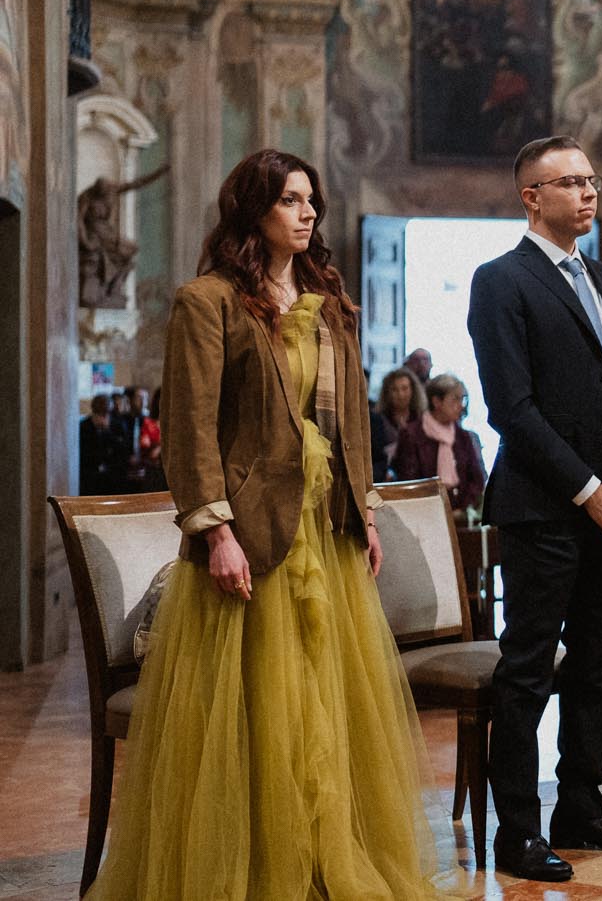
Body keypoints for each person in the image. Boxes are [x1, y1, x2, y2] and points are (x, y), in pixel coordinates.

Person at [86, 149, 435, 899]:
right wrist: (215, 533)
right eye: (289, 200)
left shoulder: (327, 297)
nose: (307, 213)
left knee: (325, 705)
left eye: (311, 200)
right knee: (256, 710)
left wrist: (364, 509)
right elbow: (192, 430)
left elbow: (351, 428)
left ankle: (318, 860)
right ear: (253, 211)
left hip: (327, 533)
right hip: (253, 534)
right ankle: (250, 865)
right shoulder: (206, 300)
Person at [467, 135, 602, 882]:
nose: (587, 193)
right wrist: (589, 489)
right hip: (546, 507)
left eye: (591, 180)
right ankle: (517, 829)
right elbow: (511, 407)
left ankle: (580, 803)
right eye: (568, 182)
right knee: (527, 670)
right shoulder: (501, 281)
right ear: (531, 196)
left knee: (596, 665)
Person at [393, 373, 487, 516]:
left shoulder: (463, 436)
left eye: (463, 399)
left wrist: (462, 508)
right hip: (424, 514)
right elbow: (408, 479)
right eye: (455, 399)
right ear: (437, 401)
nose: (460, 406)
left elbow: (476, 478)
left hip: (460, 513)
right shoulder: (412, 434)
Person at [371, 367, 423, 483]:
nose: (400, 394)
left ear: (413, 390)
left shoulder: (421, 419)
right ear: (387, 393)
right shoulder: (377, 420)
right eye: (395, 389)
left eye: (405, 388)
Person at [78, 395, 132, 495]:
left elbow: (123, 450)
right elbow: (84, 453)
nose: (104, 418)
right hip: (90, 477)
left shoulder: (118, 425)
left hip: (113, 476)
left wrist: (107, 432)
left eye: (106, 413)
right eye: (100, 413)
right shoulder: (84, 426)